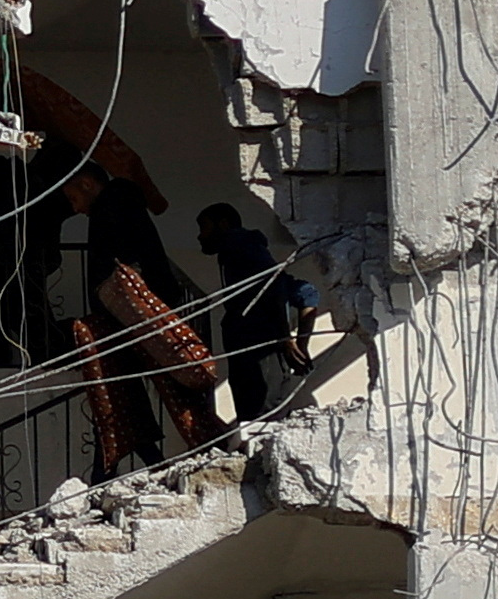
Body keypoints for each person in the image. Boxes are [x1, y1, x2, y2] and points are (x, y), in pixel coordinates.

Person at [62, 164, 223, 471]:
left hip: (134, 313)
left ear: (86, 185)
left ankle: (198, 445)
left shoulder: (113, 205)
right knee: (122, 395)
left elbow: (130, 261)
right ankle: (170, 454)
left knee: (128, 394)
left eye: (73, 198)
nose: (76, 208)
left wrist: (130, 302)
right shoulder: (118, 205)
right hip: (128, 314)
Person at [194, 202, 318, 428]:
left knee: (260, 420)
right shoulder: (238, 257)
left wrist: (288, 341)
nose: (200, 237)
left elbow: (274, 286)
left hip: (259, 353)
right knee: (255, 418)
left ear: (223, 224)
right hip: (254, 352)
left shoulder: (240, 244)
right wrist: (300, 344)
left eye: (204, 227)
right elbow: (305, 292)